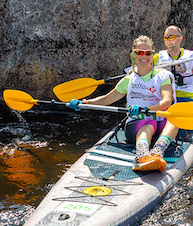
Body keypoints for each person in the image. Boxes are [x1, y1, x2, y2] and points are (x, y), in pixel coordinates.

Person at [69, 35, 176, 172]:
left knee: (174, 117)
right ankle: (142, 155)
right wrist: (85, 102)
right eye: (139, 52)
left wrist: (145, 108)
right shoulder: (128, 80)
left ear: (152, 55)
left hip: (160, 122)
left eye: (147, 53)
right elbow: (106, 99)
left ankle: (157, 151)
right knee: (149, 123)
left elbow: (166, 102)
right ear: (133, 55)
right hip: (137, 125)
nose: (144, 56)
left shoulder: (163, 76)